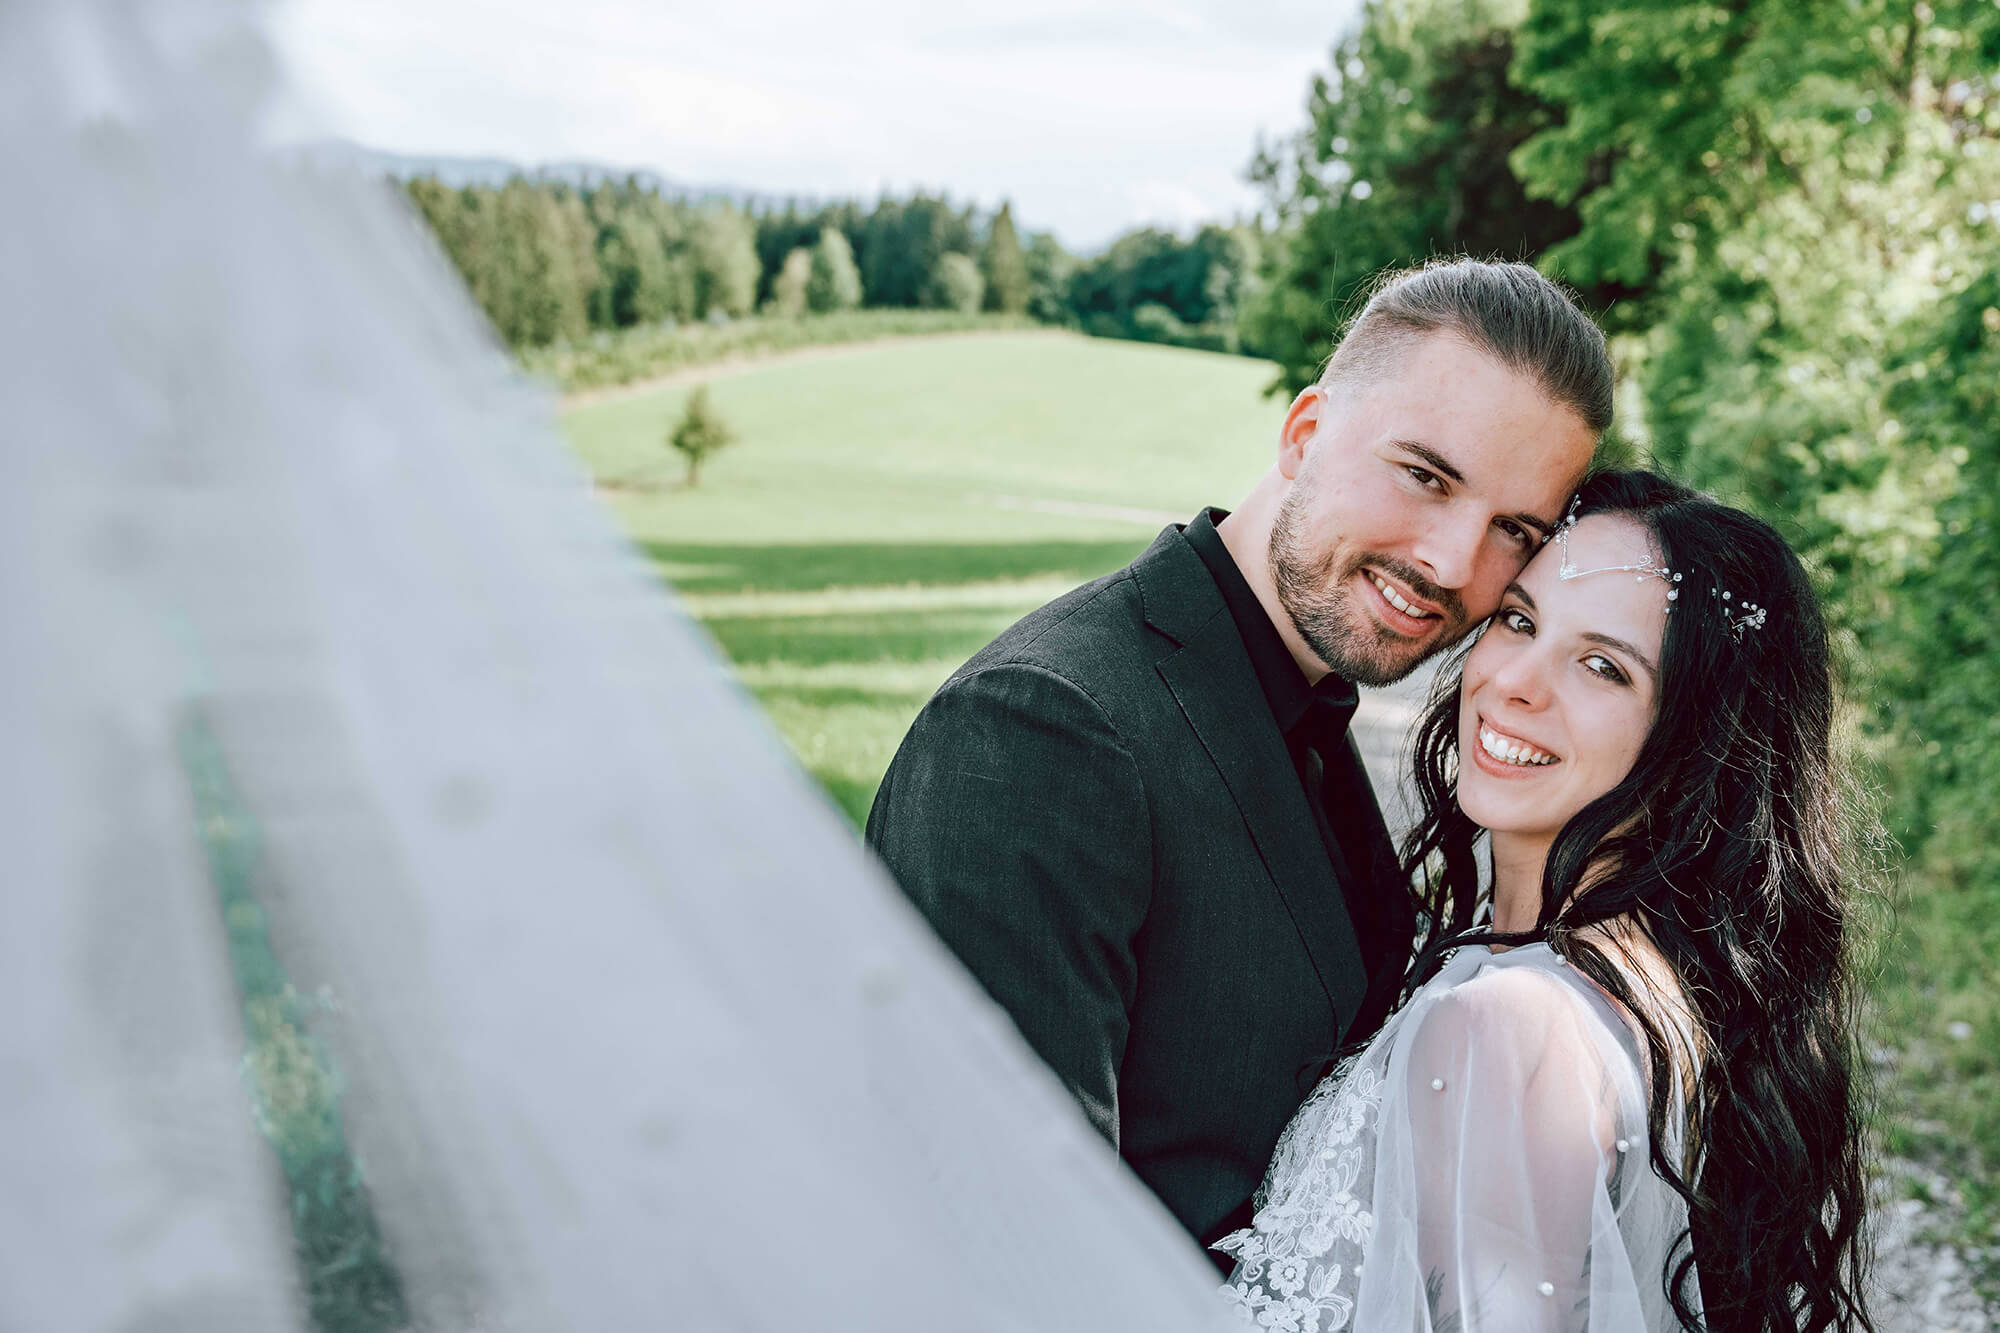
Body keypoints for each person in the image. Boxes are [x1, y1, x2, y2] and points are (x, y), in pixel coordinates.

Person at [864, 258, 1611, 1259]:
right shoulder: (1041, 728)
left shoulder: (1295, 706)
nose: (1450, 562)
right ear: (1302, 433)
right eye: (1425, 476)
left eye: (1512, 530)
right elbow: (1001, 1248)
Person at [1217, 470, 1874, 1332]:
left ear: (1695, 740)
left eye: (1603, 666)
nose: (1516, 682)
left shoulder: (1512, 1026)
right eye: (1521, 621)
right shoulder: (1654, 978)